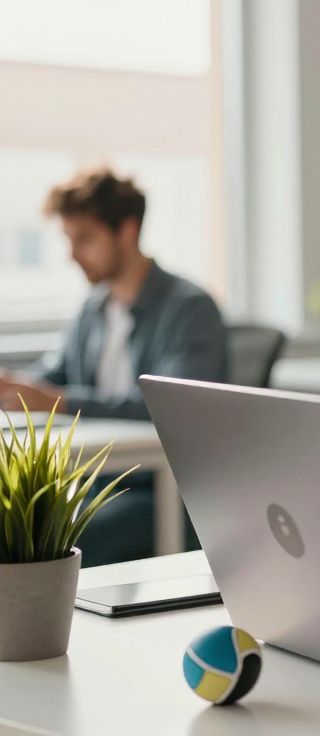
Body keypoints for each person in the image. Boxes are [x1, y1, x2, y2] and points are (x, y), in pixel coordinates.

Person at [0, 166, 228, 565]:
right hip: (96, 483)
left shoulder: (189, 309)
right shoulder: (94, 308)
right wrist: (15, 388)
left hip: (162, 493)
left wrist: (60, 400)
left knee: (46, 545)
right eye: (68, 240)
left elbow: (165, 405)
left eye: (84, 239)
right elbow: (55, 376)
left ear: (127, 230)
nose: (72, 255)